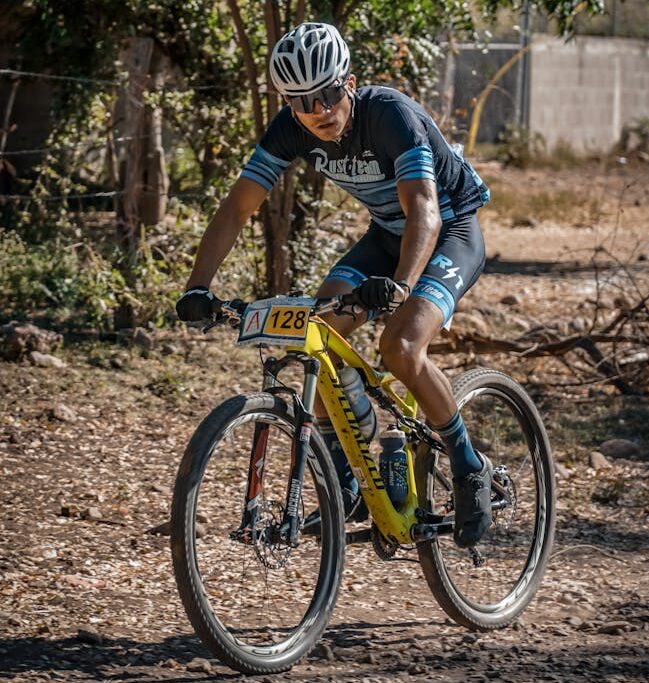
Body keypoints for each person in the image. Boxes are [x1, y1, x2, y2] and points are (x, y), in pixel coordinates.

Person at [176, 22, 492, 548]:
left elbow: (426, 213)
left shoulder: (389, 114)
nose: (317, 110)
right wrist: (197, 287)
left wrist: (399, 287)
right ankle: (348, 473)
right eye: (301, 102)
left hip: (450, 228)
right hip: (389, 235)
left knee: (402, 346)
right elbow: (237, 207)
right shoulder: (292, 127)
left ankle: (466, 461)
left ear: (348, 82)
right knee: (316, 332)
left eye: (325, 94)